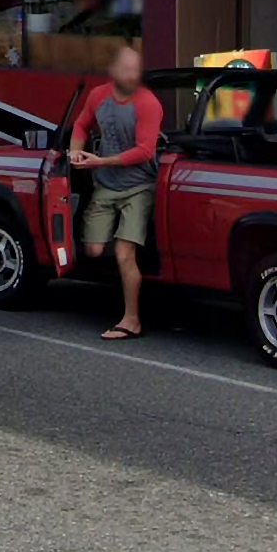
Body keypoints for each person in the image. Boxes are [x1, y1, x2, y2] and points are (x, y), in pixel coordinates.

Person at [70, 46, 163, 340]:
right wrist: (75, 151)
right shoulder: (98, 96)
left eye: (136, 70)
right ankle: (130, 281)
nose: (133, 75)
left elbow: (145, 151)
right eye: (127, 70)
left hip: (139, 186)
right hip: (105, 185)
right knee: (93, 250)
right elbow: (81, 124)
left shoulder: (148, 103)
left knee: (124, 253)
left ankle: (131, 320)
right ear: (113, 71)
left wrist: (99, 161)